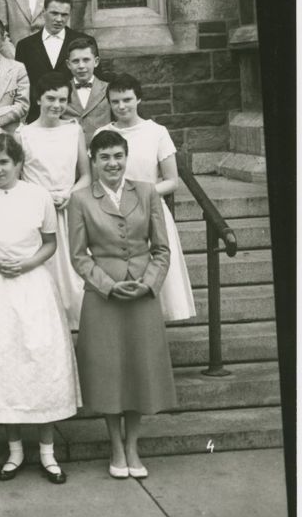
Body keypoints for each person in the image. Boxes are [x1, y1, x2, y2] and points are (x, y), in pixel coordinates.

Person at [0, 133, 80, 484]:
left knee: (41, 363)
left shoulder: (38, 196)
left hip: (33, 286)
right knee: (3, 366)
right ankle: (14, 450)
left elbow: (50, 243)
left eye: (4, 162)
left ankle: (47, 451)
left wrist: (27, 264)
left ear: (17, 163)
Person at [69, 130, 176, 479]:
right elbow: (78, 256)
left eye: (118, 156)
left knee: (139, 368)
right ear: (94, 161)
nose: (112, 163)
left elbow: (161, 248)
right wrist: (108, 286)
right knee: (110, 371)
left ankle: (134, 446)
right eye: (104, 158)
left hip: (142, 295)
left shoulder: (145, 192)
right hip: (104, 297)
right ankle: (116, 446)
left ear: (126, 158)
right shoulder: (81, 199)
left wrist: (149, 285)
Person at [94, 74, 195, 322]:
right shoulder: (102, 133)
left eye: (127, 99)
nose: (121, 106)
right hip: (112, 212)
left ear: (138, 98)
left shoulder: (156, 132)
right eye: (115, 101)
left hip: (148, 210)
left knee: (151, 270)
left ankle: (152, 326)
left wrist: (142, 192)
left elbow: (172, 180)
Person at [16, 72, 91, 329]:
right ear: (38, 99)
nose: (56, 105)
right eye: (51, 98)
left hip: (70, 209)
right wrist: (42, 198)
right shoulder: (24, 134)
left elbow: (86, 176)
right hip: (37, 213)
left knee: (75, 278)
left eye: (62, 99)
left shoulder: (73, 131)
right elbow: (18, 180)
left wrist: (69, 194)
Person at [15, 0, 88, 122]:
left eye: (64, 15)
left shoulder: (84, 42)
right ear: (43, 12)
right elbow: (20, 88)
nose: (59, 19)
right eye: (54, 13)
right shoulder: (25, 46)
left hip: (73, 120)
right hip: (37, 121)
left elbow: (94, 83)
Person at [63, 36, 111, 145]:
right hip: (71, 153)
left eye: (86, 60)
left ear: (96, 61)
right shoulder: (62, 92)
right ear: (68, 64)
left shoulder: (109, 89)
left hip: (102, 153)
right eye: (75, 61)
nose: (81, 66)